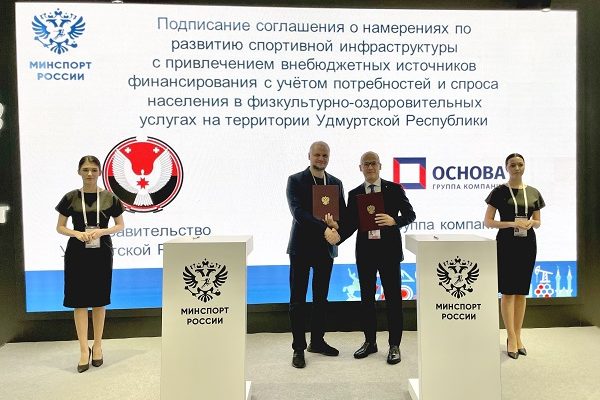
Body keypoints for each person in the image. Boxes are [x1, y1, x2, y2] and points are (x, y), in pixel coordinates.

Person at [338, 151, 416, 365]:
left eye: (374, 163)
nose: (370, 167)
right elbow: (350, 224)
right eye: (366, 164)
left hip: (389, 252)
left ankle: (394, 345)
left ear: (380, 166)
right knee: (366, 299)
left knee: (393, 299)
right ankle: (370, 342)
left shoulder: (395, 189)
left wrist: (394, 221)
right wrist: (336, 235)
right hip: (366, 253)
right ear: (360, 168)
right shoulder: (354, 193)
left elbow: (410, 214)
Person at [56, 156, 125, 372]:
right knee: (78, 301)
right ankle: (83, 350)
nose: (89, 173)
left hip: (101, 251)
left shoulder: (110, 197)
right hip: (77, 252)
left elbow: (120, 225)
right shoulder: (70, 197)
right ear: (79, 171)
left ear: (100, 172)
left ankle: (98, 346)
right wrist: (76, 233)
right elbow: (60, 227)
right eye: (85, 169)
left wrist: (103, 231)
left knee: (98, 300)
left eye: (94, 170)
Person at [286, 141, 346, 369]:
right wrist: (324, 229)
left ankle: (317, 341)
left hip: (325, 250)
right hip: (301, 248)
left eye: (325, 155)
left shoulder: (336, 183)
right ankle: (298, 348)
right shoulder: (295, 180)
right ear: (309, 156)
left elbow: (342, 215)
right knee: (298, 300)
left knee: (321, 298)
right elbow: (297, 212)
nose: (321, 159)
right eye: (317, 155)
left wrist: (337, 226)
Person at [484, 153, 545, 360]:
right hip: (506, 244)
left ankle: (518, 336)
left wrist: (531, 223)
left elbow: (538, 221)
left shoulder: (534, 192)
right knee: (508, 292)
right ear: (506, 168)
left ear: (524, 166)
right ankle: (510, 337)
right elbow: (488, 221)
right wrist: (512, 223)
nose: (517, 168)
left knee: (521, 293)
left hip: (527, 244)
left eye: (520, 164)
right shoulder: (499, 192)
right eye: (513, 165)